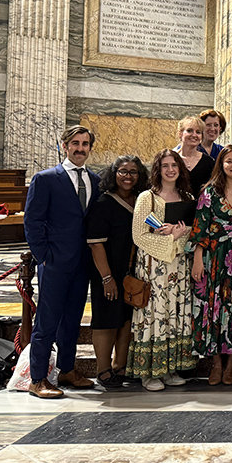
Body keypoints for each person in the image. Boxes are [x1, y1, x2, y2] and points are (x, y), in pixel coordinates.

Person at [23, 125, 100, 398]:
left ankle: (67, 369)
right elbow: (32, 221)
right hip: (55, 262)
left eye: (85, 144)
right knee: (47, 320)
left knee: (73, 319)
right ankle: (38, 378)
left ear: (90, 147)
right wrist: (43, 256)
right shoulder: (45, 179)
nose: (80, 148)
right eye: (75, 143)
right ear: (65, 145)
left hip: (82, 263)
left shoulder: (95, 180)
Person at [128, 149, 197, 391]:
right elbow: (139, 234)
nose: (170, 170)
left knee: (175, 313)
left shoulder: (187, 195)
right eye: (165, 165)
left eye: (174, 165)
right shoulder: (147, 197)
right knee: (154, 314)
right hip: (153, 266)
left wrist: (179, 235)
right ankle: (148, 372)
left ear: (180, 169)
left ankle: (169, 368)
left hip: (178, 265)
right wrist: (168, 239)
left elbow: (192, 230)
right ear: (158, 169)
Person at [190, 145, 232, 386]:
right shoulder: (209, 192)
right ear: (221, 164)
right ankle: (216, 363)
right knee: (213, 309)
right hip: (214, 257)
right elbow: (199, 228)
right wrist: (198, 259)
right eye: (230, 161)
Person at [86, 155, 148, 389]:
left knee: (126, 320)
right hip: (108, 272)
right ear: (114, 174)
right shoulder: (104, 203)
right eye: (123, 171)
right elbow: (95, 243)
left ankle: (120, 367)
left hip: (132, 273)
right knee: (106, 321)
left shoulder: (140, 201)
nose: (128, 176)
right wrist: (106, 277)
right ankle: (103, 370)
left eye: (133, 172)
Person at [175, 116, 215, 196]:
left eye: (198, 132)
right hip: (175, 206)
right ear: (180, 133)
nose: (194, 135)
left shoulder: (210, 162)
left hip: (201, 207)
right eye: (189, 131)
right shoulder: (172, 159)